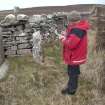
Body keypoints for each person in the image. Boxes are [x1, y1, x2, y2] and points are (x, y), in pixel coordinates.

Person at [59, 10, 90, 95]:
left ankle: (71, 90)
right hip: (75, 55)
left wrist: (62, 38)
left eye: (69, 21)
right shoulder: (78, 28)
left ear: (72, 21)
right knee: (72, 71)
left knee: (72, 73)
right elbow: (73, 38)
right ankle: (71, 85)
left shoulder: (77, 30)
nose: (69, 23)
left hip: (74, 56)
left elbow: (70, 44)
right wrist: (66, 35)